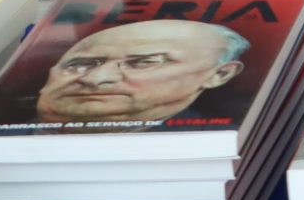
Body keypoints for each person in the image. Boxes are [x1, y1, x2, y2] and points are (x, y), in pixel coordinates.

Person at [35, 21, 249, 126]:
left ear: (218, 75)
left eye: (145, 62)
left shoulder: (226, 142)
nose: (96, 79)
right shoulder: (3, 140)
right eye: (80, 64)